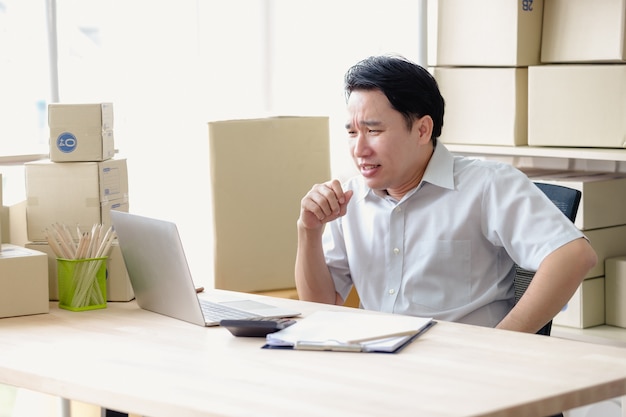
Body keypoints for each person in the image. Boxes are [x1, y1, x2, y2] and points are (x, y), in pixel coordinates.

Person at [295, 54, 597, 333]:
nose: (359, 149)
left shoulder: (487, 184)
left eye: (374, 131)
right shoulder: (349, 198)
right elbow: (322, 306)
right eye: (351, 132)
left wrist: (503, 343)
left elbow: (573, 255)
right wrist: (309, 232)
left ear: (423, 130)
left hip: (463, 370)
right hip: (379, 366)